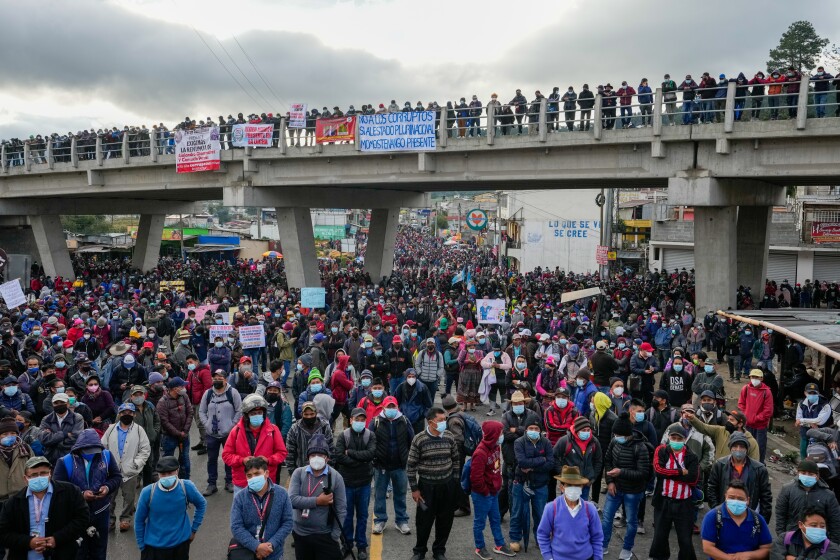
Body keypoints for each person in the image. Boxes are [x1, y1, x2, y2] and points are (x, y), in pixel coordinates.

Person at [0, 455, 89, 560]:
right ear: (25, 478)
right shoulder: (13, 502)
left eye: (43, 473)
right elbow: (3, 533)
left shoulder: (70, 492)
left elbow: (82, 519)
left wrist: (57, 539)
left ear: (50, 474)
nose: (39, 477)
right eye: (34, 475)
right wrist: (28, 542)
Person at [52, 428, 122, 560]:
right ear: (79, 448)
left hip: (101, 512)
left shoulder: (106, 456)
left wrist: (107, 488)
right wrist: (81, 494)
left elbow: (116, 477)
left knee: (99, 551)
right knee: (79, 552)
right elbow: (58, 488)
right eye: (88, 450)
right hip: (75, 515)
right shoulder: (65, 462)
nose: (92, 454)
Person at [407, 407, 459, 560]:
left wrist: (455, 481)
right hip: (426, 487)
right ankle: (419, 551)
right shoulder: (419, 439)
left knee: (445, 520)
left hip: (447, 485)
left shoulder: (449, 436)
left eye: (445, 419)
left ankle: (439, 550)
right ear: (430, 422)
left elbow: (456, 459)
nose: (444, 423)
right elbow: (411, 466)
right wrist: (414, 489)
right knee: (424, 521)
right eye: (440, 420)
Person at [600, 412, 652, 560]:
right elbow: (608, 460)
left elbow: (643, 473)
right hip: (615, 488)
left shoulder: (640, 447)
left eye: (618, 435)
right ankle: (603, 545)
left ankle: (627, 549)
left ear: (627, 434)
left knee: (631, 521)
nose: (616, 437)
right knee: (607, 518)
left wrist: (621, 472)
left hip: (633, 491)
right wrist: (610, 481)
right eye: (615, 434)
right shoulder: (614, 441)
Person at [134, 456, 207, 559]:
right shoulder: (148, 492)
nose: (166, 476)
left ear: (177, 471)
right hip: (154, 549)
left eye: (170, 473)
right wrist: (142, 546)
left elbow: (202, 504)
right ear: (158, 474)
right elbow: (139, 521)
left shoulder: (186, 487)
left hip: (180, 547)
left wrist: (194, 529)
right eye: (163, 474)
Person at [288, 433, 347, 559]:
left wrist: (335, 535)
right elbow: (292, 500)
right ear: (308, 457)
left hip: (325, 535)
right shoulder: (298, 473)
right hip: (301, 534)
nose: (316, 458)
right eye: (313, 455)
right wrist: (317, 501)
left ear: (327, 458)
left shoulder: (336, 477)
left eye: (320, 455)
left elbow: (341, 509)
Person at [648, 426, 699, 560]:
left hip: (684, 504)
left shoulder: (691, 456)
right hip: (663, 502)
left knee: (685, 539)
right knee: (659, 537)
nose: (676, 441)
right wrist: (680, 472)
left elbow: (693, 478)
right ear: (669, 438)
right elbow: (658, 471)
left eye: (679, 439)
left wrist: (669, 475)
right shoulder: (661, 450)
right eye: (673, 438)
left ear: (685, 439)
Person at [230, 456, 294, 560]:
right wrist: (256, 546)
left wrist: (272, 544)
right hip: (249, 553)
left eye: (257, 474)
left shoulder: (282, 494)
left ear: (266, 473)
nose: (253, 478)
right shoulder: (240, 498)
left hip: (275, 553)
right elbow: (236, 527)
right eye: (249, 475)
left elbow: (288, 522)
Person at [333, 407, 376, 560]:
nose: (360, 422)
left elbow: (371, 453)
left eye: (362, 419)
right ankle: (347, 544)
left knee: (363, 516)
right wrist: (361, 461)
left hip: (364, 483)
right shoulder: (343, 436)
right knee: (347, 515)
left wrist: (350, 453)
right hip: (347, 483)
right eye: (357, 419)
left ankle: (362, 545)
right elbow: (339, 456)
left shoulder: (370, 435)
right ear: (351, 420)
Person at [101, 402, 151, 532]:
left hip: (130, 470)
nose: (126, 415)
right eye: (124, 412)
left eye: (130, 413)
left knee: (129, 497)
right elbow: (103, 446)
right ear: (119, 414)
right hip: (112, 471)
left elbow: (145, 449)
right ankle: (110, 520)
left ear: (134, 415)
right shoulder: (111, 429)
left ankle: (125, 518)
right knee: (109, 497)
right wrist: (105, 463)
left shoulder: (139, 430)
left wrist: (137, 463)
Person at [223, 393, 288, 492]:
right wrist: (242, 460)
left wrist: (268, 460)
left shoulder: (273, 430)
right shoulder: (236, 431)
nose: (257, 415)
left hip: (266, 482)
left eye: (259, 413)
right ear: (246, 415)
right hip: (242, 483)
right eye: (253, 413)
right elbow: (226, 455)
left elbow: (282, 453)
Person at [536, 465, 603, 560]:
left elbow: (597, 537)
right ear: (562, 488)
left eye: (577, 485)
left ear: (582, 487)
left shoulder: (590, 509)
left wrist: (598, 558)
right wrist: (548, 557)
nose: (573, 488)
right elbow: (542, 534)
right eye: (569, 485)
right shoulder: (551, 508)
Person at [470, 420, 516, 559]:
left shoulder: (496, 447)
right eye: (500, 433)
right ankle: (480, 547)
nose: (502, 435)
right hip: (483, 494)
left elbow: (496, 466)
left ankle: (499, 545)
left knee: (495, 519)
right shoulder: (480, 452)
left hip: (493, 491)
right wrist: (485, 491)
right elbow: (475, 478)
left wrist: (496, 485)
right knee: (480, 522)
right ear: (493, 434)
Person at [371, 395, 414, 536]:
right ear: (383, 407)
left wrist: (407, 458)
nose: (391, 409)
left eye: (393, 406)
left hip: (400, 465)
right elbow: (370, 440)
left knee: (400, 494)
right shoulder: (376, 421)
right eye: (388, 406)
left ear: (397, 407)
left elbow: (411, 440)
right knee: (379, 494)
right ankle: (380, 520)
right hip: (381, 465)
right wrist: (374, 458)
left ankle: (401, 520)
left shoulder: (404, 420)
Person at [509, 418, 552, 552]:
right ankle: (515, 538)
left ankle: (541, 539)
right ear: (526, 429)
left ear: (540, 430)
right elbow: (522, 462)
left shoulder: (546, 443)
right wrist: (541, 459)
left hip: (540, 484)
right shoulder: (519, 442)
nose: (533, 431)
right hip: (521, 482)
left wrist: (532, 467)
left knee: (540, 513)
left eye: (536, 429)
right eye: (531, 428)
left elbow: (550, 463)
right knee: (517, 512)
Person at [707, 432, 772, 522]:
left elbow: (766, 496)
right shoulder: (720, 465)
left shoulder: (759, 469)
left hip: (748, 516)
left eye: (742, 447)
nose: (738, 449)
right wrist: (717, 511)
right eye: (735, 446)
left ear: (746, 449)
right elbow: (712, 489)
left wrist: (762, 521)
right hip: (724, 515)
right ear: (730, 448)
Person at [701, 480, 773, 560]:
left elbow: (766, 548)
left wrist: (749, 555)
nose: (735, 501)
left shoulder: (758, 520)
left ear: (748, 500)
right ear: (725, 497)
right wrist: (730, 558)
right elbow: (707, 547)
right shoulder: (712, 517)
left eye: (740, 499)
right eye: (731, 498)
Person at [199, 369, 242, 495]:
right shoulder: (208, 393)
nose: (217, 380)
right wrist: (207, 424)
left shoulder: (233, 393)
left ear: (226, 379)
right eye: (215, 378)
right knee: (211, 459)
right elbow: (201, 411)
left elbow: (239, 411)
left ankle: (229, 481)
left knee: (229, 459)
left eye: (220, 378)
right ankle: (212, 484)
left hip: (229, 434)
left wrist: (232, 426)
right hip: (211, 434)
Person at [775, 459, 840, 541]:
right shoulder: (788, 490)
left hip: (818, 540)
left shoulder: (828, 495)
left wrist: (833, 543)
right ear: (798, 473)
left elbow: (835, 520)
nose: (807, 476)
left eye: (811, 474)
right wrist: (782, 536)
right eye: (803, 473)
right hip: (792, 537)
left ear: (817, 476)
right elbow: (780, 514)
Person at [554, 416, 602, 502]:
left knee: (582, 507)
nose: (586, 432)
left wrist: (592, 478)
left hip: (585, 484)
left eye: (588, 430)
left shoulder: (594, 442)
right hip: (568, 484)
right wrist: (562, 473)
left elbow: (598, 461)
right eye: (583, 430)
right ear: (577, 430)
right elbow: (554, 457)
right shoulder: (565, 441)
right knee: (566, 507)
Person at [157, 377, 192, 480]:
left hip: (184, 435)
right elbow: (164, 422)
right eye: (182, 386)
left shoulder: (184, 396)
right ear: (175, 389)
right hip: (169, 437)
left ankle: (185, 482)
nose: (184, 388)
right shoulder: (162, 402)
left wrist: (185, 431)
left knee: (185, 461)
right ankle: (169, 482)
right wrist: (178, 433)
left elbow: (190, 413)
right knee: (167, 463)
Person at [771, 508, 840, 560]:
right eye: (813, 525)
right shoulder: (784, 539)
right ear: (800, 525)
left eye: (822, 526)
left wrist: (794, 559)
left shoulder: (832, 549)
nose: (818, 529)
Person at [37, 392, 84, 464]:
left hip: (71, 458)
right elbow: (43, 439)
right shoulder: (46, 419)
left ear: (68, 403)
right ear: (52, 404)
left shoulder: (77, 418)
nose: (59, 405)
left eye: (62, 402)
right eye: (56, 403)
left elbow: (76, 438)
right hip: (51, 459)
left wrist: (53, 441)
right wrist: (65, 434)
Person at [739, 369, 774, 462]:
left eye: (756, 377)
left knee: (759, 447)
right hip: (748, 424)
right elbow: (741, 404)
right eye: (752, 377)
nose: (754, 379)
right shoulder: (746, 388)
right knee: (747, 445)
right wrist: (746, 415)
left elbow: (768, 411)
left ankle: (759, 465)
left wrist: (756, 418)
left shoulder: (766, 392)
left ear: (761, 378)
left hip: (760, 426)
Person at [797, 382, 833, 459]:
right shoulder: (801, 404)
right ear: (805, 393)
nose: (812, 395)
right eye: (810, 393)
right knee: (803, 455)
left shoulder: (825, 405)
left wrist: (803, 420)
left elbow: (820, 421)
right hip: (805, 434)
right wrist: (810, 423)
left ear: (818, 393)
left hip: (820, 436)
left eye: (814, 393)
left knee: (817, 457)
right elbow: (798, 421)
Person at [396, 368, 432, 435]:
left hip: (418, 420)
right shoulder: (401, 387)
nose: (411, 378)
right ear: (406, 377)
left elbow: (428, 404)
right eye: (409, 376)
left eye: (413, 376)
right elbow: (396, 402)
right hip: (403, 419)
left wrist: (422, 416)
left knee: (418, 437)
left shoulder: (422, 388)